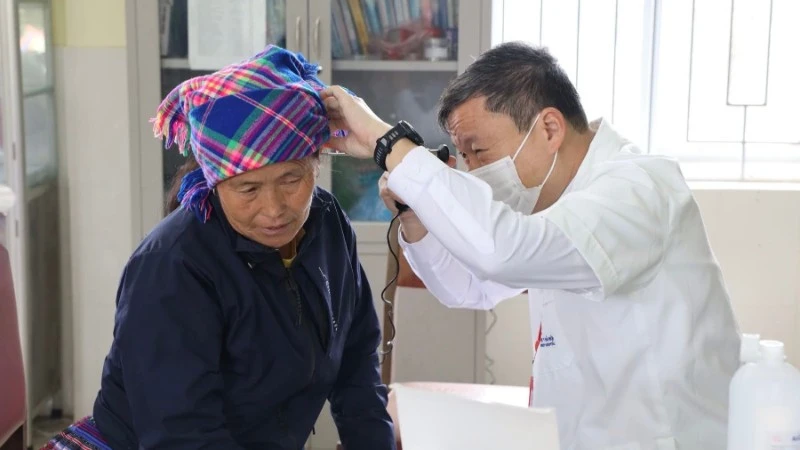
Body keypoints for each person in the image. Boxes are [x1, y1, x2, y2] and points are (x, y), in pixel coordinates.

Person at [321, 42, 741, 450]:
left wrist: (388, 140)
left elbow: (501, 252)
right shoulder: (554, 202)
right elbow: (467, 288)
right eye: (464, 157)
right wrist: (415, 214)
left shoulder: (639, 189)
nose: (475, 171)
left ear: (549, 129)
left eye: (480, 150)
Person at [42, 46, 394, 450]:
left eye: (291, 180)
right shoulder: (172, 266)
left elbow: (356, 364)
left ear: (317, 162)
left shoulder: (328, 224)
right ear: (214, 181)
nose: (275, 209)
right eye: (248, 188)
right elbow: (182, 433)